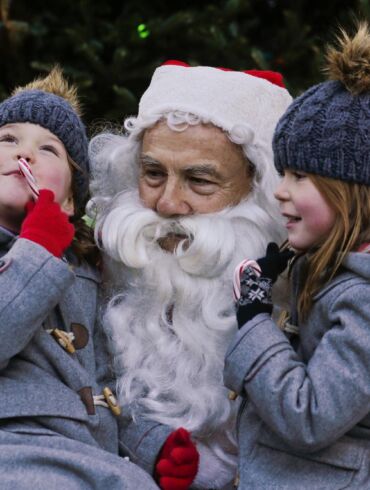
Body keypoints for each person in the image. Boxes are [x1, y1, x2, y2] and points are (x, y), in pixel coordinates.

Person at [89, 61, 292, 489]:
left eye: (199, 180)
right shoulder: (88, 277)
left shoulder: (313, 299)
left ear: (260, 188)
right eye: (153, 173)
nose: (167, 203)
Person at [224, 22, 370, 489]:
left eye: (300, 175)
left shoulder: (365, 298)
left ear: (354, 190)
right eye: (282, 171)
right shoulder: (337, 271)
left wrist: (254, 320)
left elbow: (310, 415)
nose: (280, 192)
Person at [0, 67, 159, 489]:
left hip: (90, 449)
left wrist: (152, 444)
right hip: (15, 444)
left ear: (70, 197)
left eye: (48, 149)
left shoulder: (85, 267)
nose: (25, 154)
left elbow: (105, 378)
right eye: (8, 139)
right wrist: (35, 249)